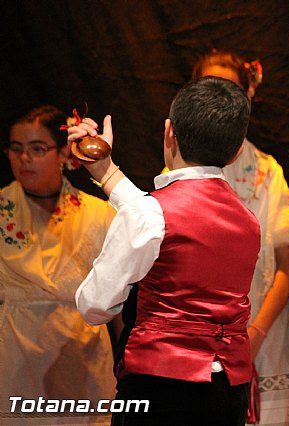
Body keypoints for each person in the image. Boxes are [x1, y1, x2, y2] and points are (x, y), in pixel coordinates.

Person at [69, 76, 260, 425]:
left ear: (169, 132)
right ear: (235, 153)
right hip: (228, 387)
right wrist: (104, 170)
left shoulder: (150, 214)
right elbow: (171, 217)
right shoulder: (248, 219)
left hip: (161, 386)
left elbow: (95, 306)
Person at [192, 48, 289, 425]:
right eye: (206, 88)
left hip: (266, 331)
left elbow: (285, 268)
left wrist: (254, 334)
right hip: (202, 333)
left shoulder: (267, 172)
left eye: (227, 90)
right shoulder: (177, 166)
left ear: (248, 97)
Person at [0, 105, 116, 425]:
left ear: (64, 153)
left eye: (37, 149)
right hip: (14, 354)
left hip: (82, 355)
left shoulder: (100, 215)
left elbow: (122, 298)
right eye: (16, 148)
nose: (24, 158)